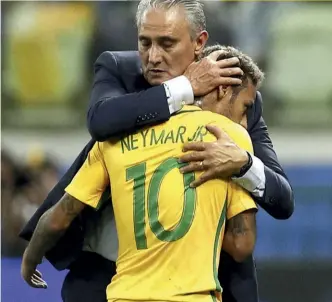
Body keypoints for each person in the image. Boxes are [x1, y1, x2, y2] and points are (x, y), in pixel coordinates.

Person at [20, 1, 294, 301]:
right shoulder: (120, 71)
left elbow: (282, 199)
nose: (153, 56)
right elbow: (100, 121)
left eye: (167, 43)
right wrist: (184, 87)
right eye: (144, 42)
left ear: (199, 42)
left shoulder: (234, 92)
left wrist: (243, 164)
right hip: (106, 276)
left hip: (201, 279)